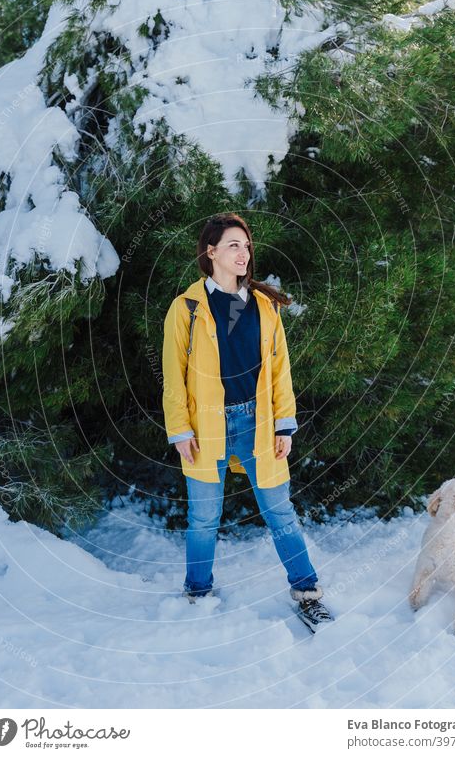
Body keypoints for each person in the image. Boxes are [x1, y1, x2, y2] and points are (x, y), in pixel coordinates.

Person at [162, 212, 333, 626]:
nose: (243, 253)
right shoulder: (186, 308)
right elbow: (173, 376)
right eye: (233, 245)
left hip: (258, 425)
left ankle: (307, 590)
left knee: (280, 511)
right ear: (211, 252)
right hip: (205, 428)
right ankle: (197, 592)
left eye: (246, 245)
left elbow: (280, 371)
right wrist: (180, 429)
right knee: (204, 518)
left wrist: (284, 423)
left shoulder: (263, 305)